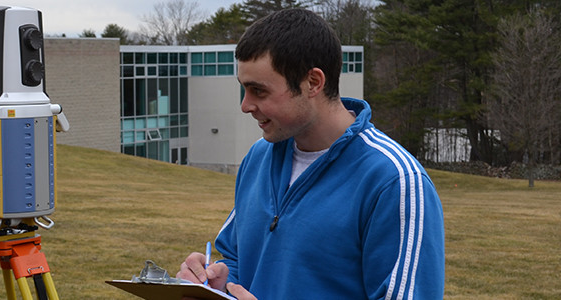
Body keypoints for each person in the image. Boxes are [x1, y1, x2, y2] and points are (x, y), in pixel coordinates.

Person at [175, 8, 445, 300]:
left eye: (258, 91)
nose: (245, 105)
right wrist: (217, 281)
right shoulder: (258, 157)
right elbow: (237, 259)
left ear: (313, 83)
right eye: (244, 89)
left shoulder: (395, 181)